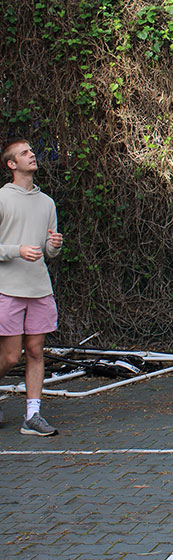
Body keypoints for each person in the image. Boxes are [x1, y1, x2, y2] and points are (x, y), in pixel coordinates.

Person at [0, 139, 63, 436]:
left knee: (36, 351)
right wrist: (18, 250)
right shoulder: (2, 198)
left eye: (32, 151)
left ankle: (33, 416)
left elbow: (49, 252)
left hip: (39, 288)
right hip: (7, 288)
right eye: (24, 153)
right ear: (12, 164)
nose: (32, 155)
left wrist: (54, 245)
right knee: (11, 357)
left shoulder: (47, 202)